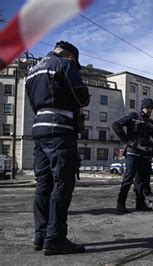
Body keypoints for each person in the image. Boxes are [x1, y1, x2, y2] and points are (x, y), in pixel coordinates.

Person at [25, 41, 90, 255]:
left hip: (39, 128)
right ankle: (55, 238)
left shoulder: (32, 70)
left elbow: (34, 103)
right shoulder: (64, 64)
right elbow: (81, 96)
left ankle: (40, 235)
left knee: (43, 183)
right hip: (59, 129)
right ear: (71, 55)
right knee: (63, 182)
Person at [112, 98, 153, 212]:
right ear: (142, 107)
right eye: (147, 108)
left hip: (145, 155)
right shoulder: (133, 117)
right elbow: (116, 125)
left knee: (141, 182)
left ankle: (140, 203)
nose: (149, 110)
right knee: (128, 179)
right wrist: (127, 141)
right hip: (132, 153)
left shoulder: (150, 123)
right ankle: (121, 203)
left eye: (151, 108)